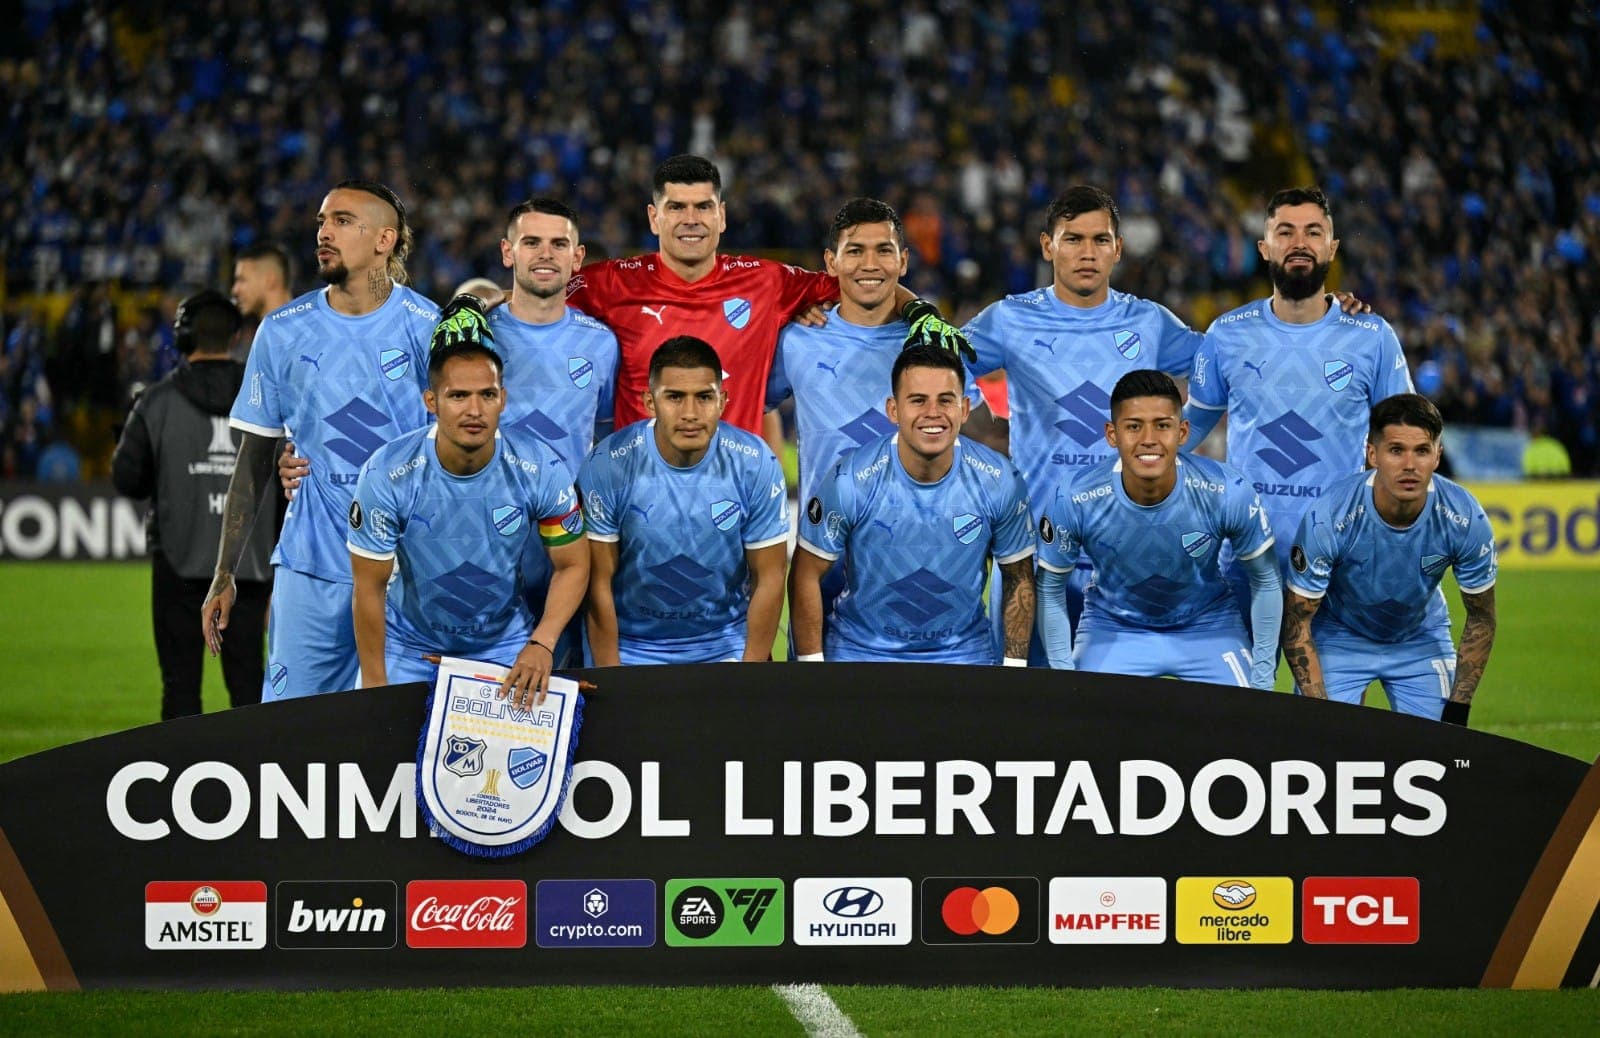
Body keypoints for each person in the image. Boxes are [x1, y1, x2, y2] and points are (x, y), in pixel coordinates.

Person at [432, 155, 973, 443]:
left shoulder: (766, 281)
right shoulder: (609, 282)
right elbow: (533, 290)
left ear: (722, 216)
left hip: (734, 492)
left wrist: (919, 310)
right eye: (676, 208)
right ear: (654, 217)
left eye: (702, 207)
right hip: (638, 490)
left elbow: (865, 278)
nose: (690, 219)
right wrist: (473, 306)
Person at [202, 179, 437, 700]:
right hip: (309, 567)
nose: (324, 233)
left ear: (384, 240)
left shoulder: (427, 328)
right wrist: (224, 572)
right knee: (292, 729)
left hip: (407, 572)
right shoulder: (281, 331)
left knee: (396, 729)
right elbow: (253, 460)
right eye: (322, 222)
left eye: (343, 221)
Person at [960, 185, 1204, 659]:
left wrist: (1321, 310)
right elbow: (940, 359)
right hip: (1031, 553)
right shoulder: (1011, 319)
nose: (1087, 253)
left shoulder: (1149, 322)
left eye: (1099, 240)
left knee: (1114, 701)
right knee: (1017, 693)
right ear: (1047, 246)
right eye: (1073, 239)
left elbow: (1231, 362)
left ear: (1118, 248)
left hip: (1124, 556)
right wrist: (970, 412)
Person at [765, 198, 982, 634]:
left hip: (923, 555)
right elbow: (746, 404)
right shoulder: (797, 340)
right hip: (824, 562)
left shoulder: (934, 345)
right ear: (831, 262)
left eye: (883, 250)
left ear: (903, 260)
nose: (870, 263)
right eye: (855, 250)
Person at [1184, 186, 1414, 577]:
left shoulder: (1372, 337)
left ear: (1332, 248)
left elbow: (1404, 438)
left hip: (1338, 562)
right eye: (1286, 232)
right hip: (1244, 563)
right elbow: (1189, 428)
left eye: (1313, 232)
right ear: (1264, 248)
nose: (1300, 243)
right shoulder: (1226, 335)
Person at [347, 342, 588, 707]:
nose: (474, 410)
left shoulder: (541, 467)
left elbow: (573, 565)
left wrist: (542, 643)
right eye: (458, 395)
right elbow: (369, 586)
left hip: (505, 646)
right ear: (431, 401)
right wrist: (374, 682)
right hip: (408, 646)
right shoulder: (386, 473)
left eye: (487, 395)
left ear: (502, 399)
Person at [789, 344, 1036, 664]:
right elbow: (806, 573)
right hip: (862, 655)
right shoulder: (850, 479)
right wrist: (812, 667)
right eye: (918, 400)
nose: (933, 412)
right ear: (893, 410)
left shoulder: (1000, 480)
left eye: (945, 400)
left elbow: (1018, 577)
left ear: (964, 408)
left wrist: (1015, 667)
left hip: (963, 658)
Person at [1036, 370, 1280, 688]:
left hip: (1208, 626)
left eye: (1162, 425)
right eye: (1133, 426)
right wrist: (1062, 673)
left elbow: (1265, 579)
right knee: (1083, 716)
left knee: (1250, 715)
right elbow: (1050, 588)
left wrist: (1262, 677)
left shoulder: (1227, 491)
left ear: (1183, 432)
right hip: (1113, 627)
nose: (1148, 439)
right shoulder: (1075, 496)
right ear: (1112, 434)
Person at [1281, 394, 1497, 723]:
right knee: (1324, 743)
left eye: (1421, 451)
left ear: (1437, 456)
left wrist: (1458, 707)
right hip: (1339, 636)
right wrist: (1319, 714)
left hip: (1420, 636)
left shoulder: (1464, 518)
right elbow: (1297, 620)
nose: (1410, 465)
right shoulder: (1329, 517)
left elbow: (1482, 618)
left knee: (1440, 749)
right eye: (1396, 450)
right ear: (1372, 455)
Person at [111, 290, 274, 719]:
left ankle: (182, 765)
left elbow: (127, 479)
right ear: (235, 337)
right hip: (249, 567)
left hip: (178, 564)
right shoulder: (266, 399)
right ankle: (256, 762)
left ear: (182, 337)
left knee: (180, 688)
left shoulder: (156, 401)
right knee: (249, 690)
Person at [578, 336, 789, 665]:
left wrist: (749, 675)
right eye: (674, 397)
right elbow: (597, 583)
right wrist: (612, 677)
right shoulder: (608, 464)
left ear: (722, 401)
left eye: (704, 397)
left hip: (725, 644)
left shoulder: (755, 462)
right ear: (650, 402)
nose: (690, 413)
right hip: (632, 646)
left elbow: (770, 576)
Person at [230, 242, 296, 331]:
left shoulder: (304, 333)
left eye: (242, 280)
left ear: (270, 281)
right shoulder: (268, 334)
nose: (235, 290)